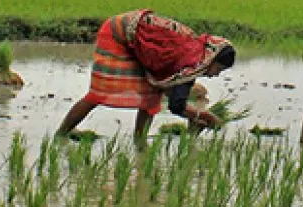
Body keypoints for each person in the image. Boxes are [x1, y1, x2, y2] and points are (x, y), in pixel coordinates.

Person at [55, 9, 236, 140]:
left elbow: (171, 90)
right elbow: (176, 105)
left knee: (152, 94)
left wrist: (196, 117)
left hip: (136, 40)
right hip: (118, 33)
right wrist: (205, 116)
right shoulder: (190, 59)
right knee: (99, 91)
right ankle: (61, 134)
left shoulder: (195, 54)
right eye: (218, 69)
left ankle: (139, 141)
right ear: (212, 59)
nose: (215, 75)